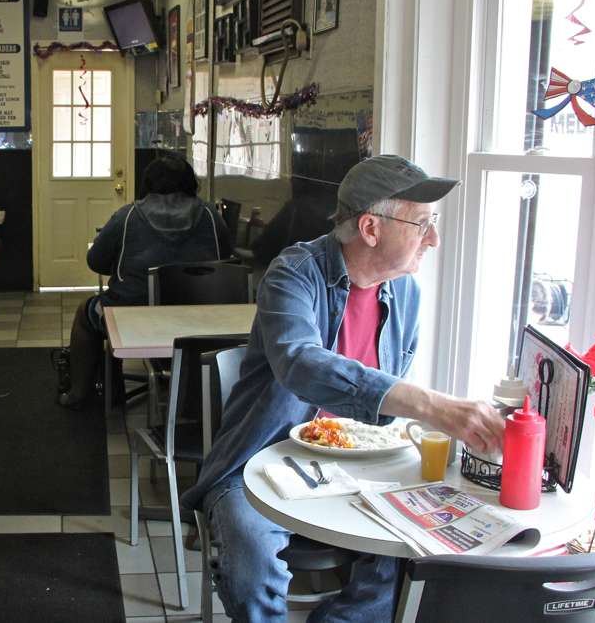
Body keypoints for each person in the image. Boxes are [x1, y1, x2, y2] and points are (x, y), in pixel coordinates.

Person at [180, 155, 505, 622]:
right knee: (250, 553)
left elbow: (382, 401)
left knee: (417, 550)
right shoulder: (295, 273)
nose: (433, 239)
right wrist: (431, 404)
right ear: (371, 228)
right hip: (261, 460)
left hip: (366, 464)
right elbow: (299, 362)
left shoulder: (406, 292)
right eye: (422, 224)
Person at [59, 154, 233, 409]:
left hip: (133, 317)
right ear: (190, 182)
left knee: (86, 314)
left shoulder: (128, 216)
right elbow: (225, 257)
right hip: (201, 316)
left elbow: (95, 261)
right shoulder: (210, 215)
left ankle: (79, 393)